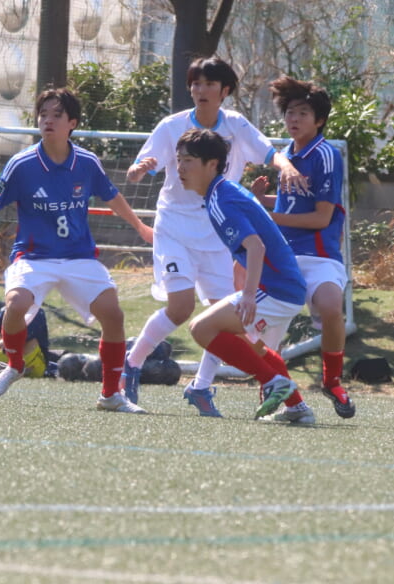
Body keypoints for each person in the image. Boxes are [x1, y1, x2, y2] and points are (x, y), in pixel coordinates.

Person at [122, 56, 306, 417]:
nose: (200, 90)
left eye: (209, 83)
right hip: (175, 227)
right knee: (182, 308)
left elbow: (270, 153)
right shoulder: (172, 126)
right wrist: (138, 169)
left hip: (220, 231)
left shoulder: (235, 129)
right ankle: (132, 365)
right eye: (195, 83)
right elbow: (137, 169)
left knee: (224, 321)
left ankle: (202, 386)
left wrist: (286, 166)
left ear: (225, 91)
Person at [0, 87, 152, 413]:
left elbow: (113, 197)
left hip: (79, 257)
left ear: (72, 123)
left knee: (113, 314)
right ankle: (14, 366)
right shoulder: (21, 164)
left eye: (56, 115)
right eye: (43, 114)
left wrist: (140, 227)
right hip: (33, 257)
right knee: (16, 304)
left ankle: (110, 395)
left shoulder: (87, 163)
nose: (47, 120)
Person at [176, 128, 311, 421]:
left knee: (201, 329)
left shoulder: (221, 199)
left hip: (276, 289)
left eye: (188, 161)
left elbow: (255, 246)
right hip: (283, 287)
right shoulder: (223, 192)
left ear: (212, 164)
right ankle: (297, 408)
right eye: (178, 160)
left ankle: (274, 382)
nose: (180, 168)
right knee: (252, 345)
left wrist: (248, 295)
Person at [251, 76, 355, 419]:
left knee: (331, 307)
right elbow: (291, 204)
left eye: (303, 113)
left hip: (319, 255)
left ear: (319, 120)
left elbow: (321, 218)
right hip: (283, 255)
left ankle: (332, 381)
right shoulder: (286, 156)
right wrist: (262, 200)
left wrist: (268, 217)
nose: (293, 119)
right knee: (259, 328)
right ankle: (273, 386)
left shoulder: (326, 155)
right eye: (290, 113)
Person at [0, 306, 51, 378]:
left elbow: (26, 336)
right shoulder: (8, 310)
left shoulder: (36, 312)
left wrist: (2, 342)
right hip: (8, 357)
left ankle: (20, 369)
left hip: (32, 362)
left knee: (32, 342)